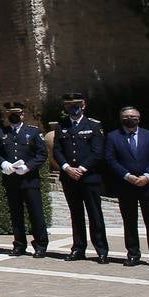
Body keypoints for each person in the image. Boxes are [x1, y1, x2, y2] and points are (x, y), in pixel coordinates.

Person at [105, 106, 149, 269]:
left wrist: (147, 176)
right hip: (126, 185)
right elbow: (111, 160)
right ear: (121, 118)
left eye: (133, 116)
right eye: (126, 116)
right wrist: (128, 176)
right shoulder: (113, 137)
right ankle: (133, 254)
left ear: (139, 118)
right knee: (130, 222)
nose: (129, 118)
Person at [53, 93, 110, 263]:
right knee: (75, 214)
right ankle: (78, 248)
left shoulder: (93, 125)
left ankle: (101, 249)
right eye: (69, 105)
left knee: (95, 214)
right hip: (69, 178)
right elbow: (57, 150)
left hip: (89, 177)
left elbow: (97, 151)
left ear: (84, 105)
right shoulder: (61, 126)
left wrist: (82, 168)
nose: (73, 107)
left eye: (76, 104)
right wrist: (67, 168)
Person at [0, 102, 49, 258]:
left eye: (16, 113)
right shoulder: (1, 132)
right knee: (16, 214)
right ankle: (19, 244)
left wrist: (28, 166)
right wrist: (4, 164)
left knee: (36, 213)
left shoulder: (33, 132)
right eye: (10, 113)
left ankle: (41, 245)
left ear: (22, 114)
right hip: (11, 180)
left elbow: (42, 154)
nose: (13, 116)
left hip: (30, 180)